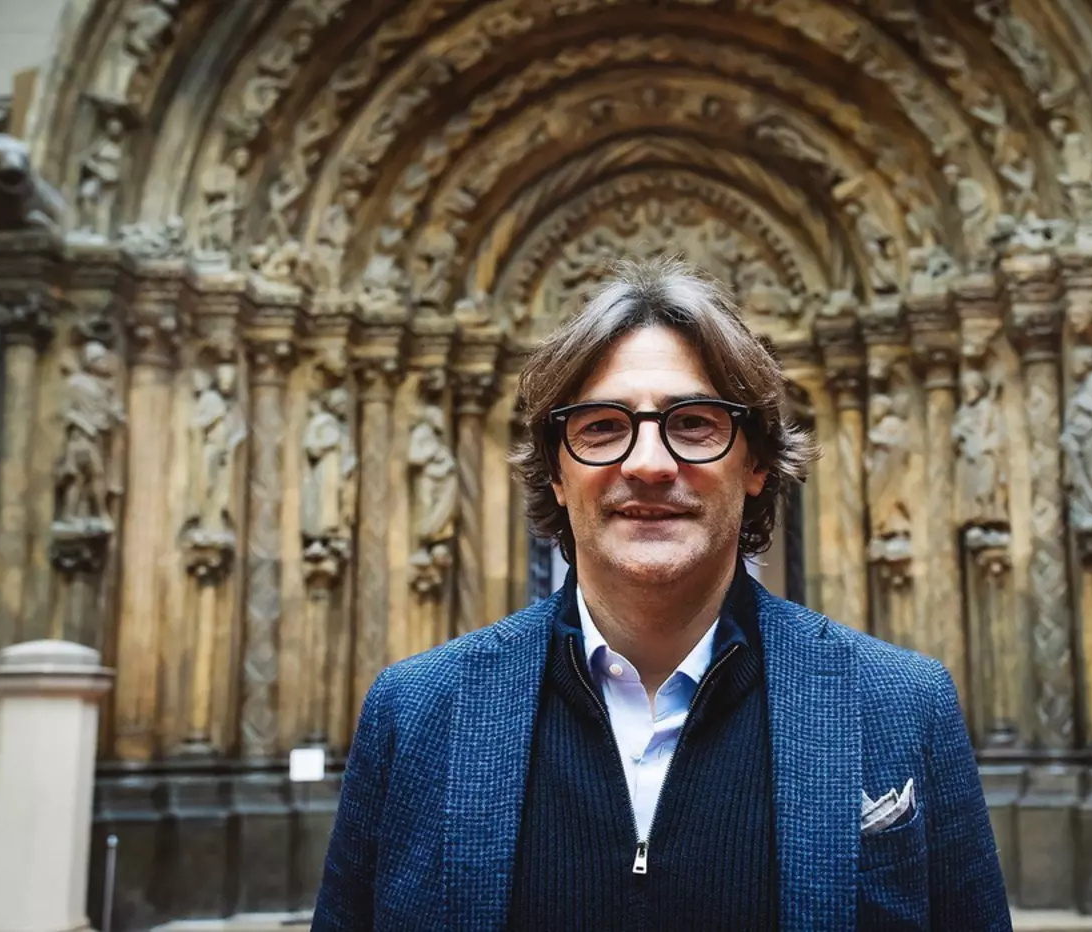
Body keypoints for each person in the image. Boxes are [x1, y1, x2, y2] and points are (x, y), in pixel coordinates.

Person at [313, 259, 1011, 931]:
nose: (648, 463)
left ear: (756, 462)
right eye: (602, 426)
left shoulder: (902, 706)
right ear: (556, 472)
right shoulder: (416, 714)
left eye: (694, 422)